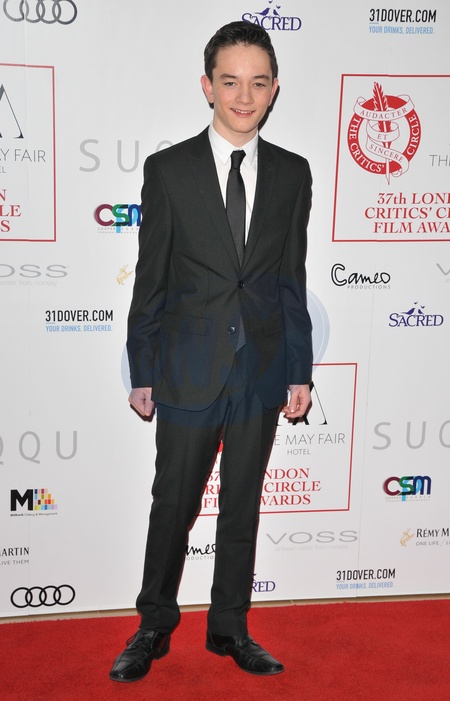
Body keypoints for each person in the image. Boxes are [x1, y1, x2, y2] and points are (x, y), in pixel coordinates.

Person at [110, 20, 313, 682]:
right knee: (173, 501)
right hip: (187, 367)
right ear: (208, 86)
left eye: (258, 83)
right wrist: (143, 368)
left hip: (261, 368)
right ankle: (152, 625)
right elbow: (152, 279)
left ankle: (230, 628)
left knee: (242, 505)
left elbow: (290, 278)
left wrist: (300, 370)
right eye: (230, 82)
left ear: (274, 88)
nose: (244, 96)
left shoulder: (293, 173)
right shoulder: (169, 171)